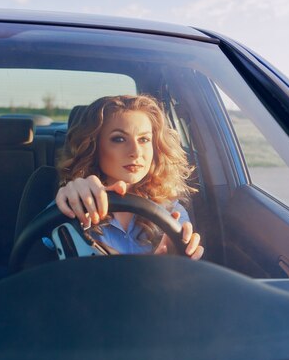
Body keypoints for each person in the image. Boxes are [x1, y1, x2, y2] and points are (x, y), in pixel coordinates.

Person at [55, 95, 204, 260]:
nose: (136, 152)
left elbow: (178, 282)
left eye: (144, 139)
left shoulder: (172, 211)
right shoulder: (74, 200)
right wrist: (73, 206)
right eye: (119, 139)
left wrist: (176, 262)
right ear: (94, 146)